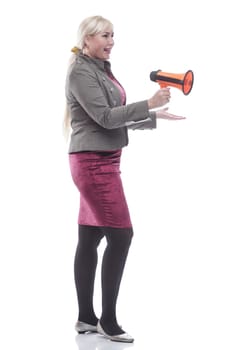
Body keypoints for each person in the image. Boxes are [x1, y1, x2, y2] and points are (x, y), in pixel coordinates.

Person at [64, 15, 185, 343]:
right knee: (121, 236)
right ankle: (109, 322)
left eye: (113, 35)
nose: (111, 41)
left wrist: (152, 115)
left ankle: (86, 320)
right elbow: (104, 118)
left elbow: (109, 119)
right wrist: (147, 103)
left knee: (90, 238)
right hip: (94, 164)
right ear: (87, 39)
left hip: (100, 160)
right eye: (105, 35)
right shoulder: (80, 71)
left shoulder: (99, 69)